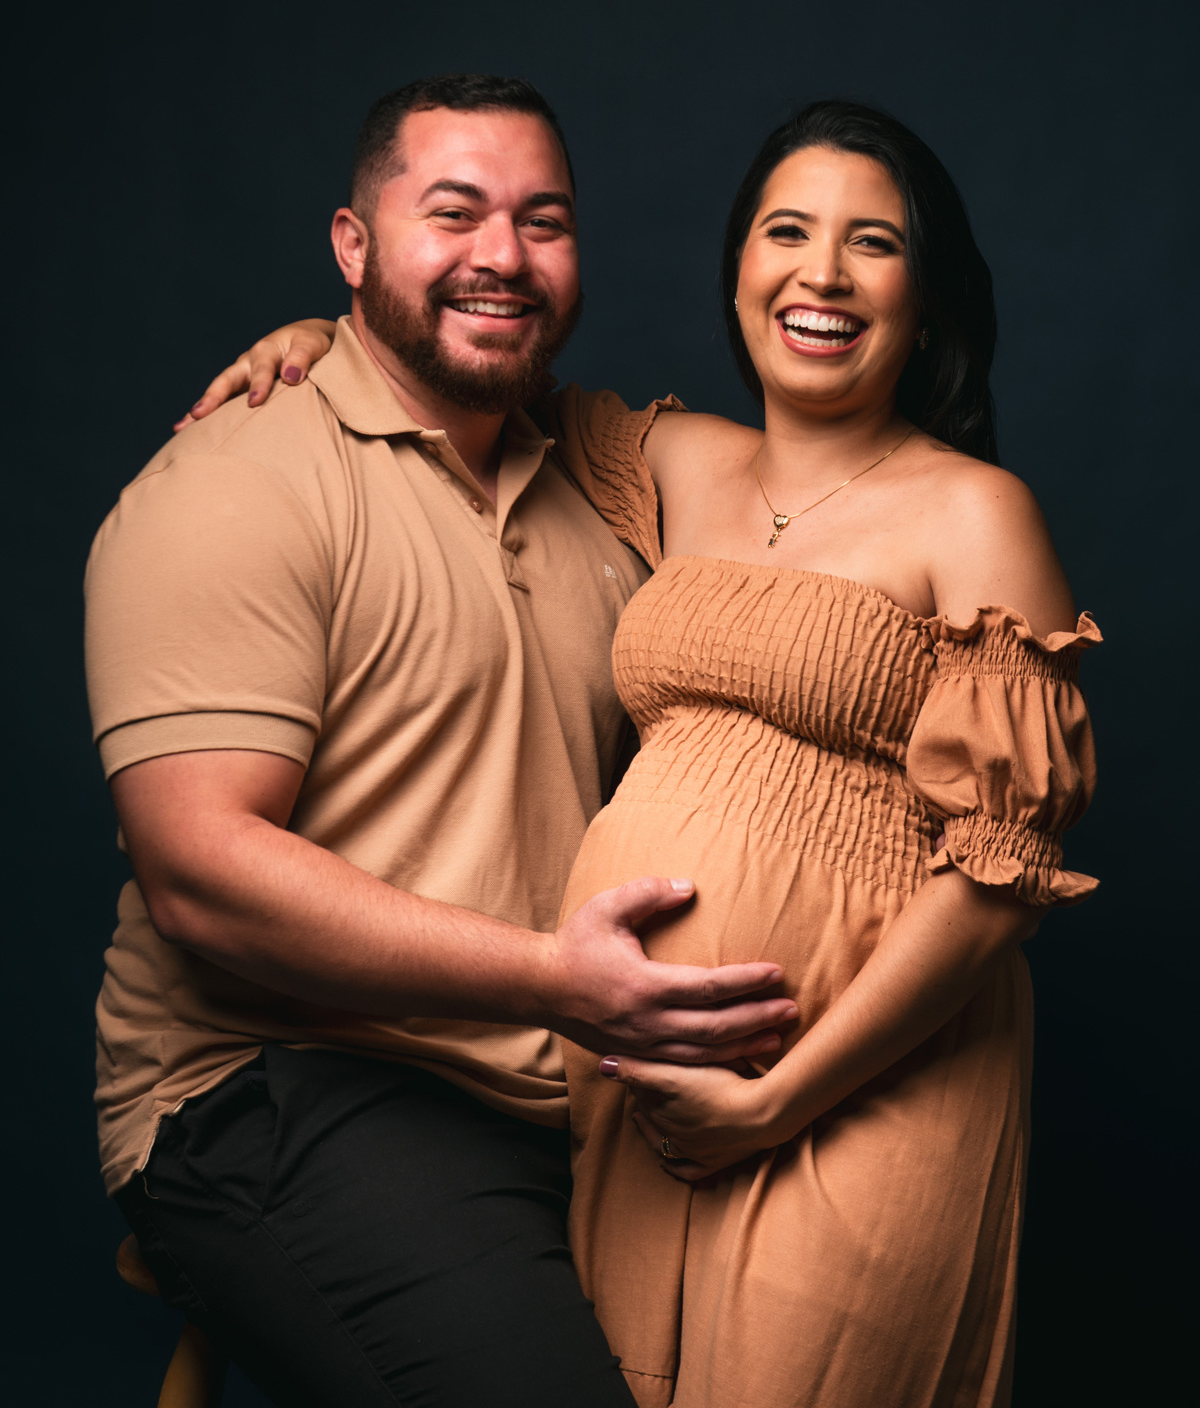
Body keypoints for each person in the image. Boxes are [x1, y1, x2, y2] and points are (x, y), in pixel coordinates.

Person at [229, 99, 1099, 1408]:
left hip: (861, 1084)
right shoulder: (674, 461)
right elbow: (461, 371)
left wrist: (779, 1098)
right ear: (738, 269)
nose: (821, 273)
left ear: (926, 299)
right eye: (787, 231)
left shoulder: (976, 514)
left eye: (872, 243)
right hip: (638, 1092)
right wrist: (327, 337)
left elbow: (997, 879)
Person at [84, 73, 799, 1408]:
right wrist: (555, 978)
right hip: (280, 1088)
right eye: (455, 213)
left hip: (568, 1088)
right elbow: (197, 873)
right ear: (353, 246)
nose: (503, 256)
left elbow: (830, 486)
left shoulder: (599, 483)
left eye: (544, 220)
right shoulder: (235, 483)